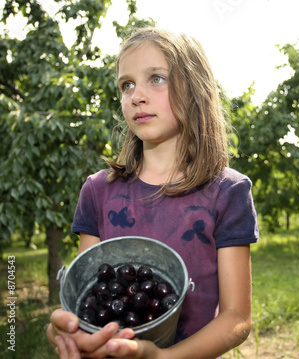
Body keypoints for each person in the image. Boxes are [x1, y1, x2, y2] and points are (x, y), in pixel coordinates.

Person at [46, 27, 259, 359]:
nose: (136, 96)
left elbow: (237, 318)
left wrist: (163, 358)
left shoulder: (228, 192)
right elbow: (87, 293)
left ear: (194, 89)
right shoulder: (98, 192)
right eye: (126, 84)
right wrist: (68, 329)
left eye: (156, 78)